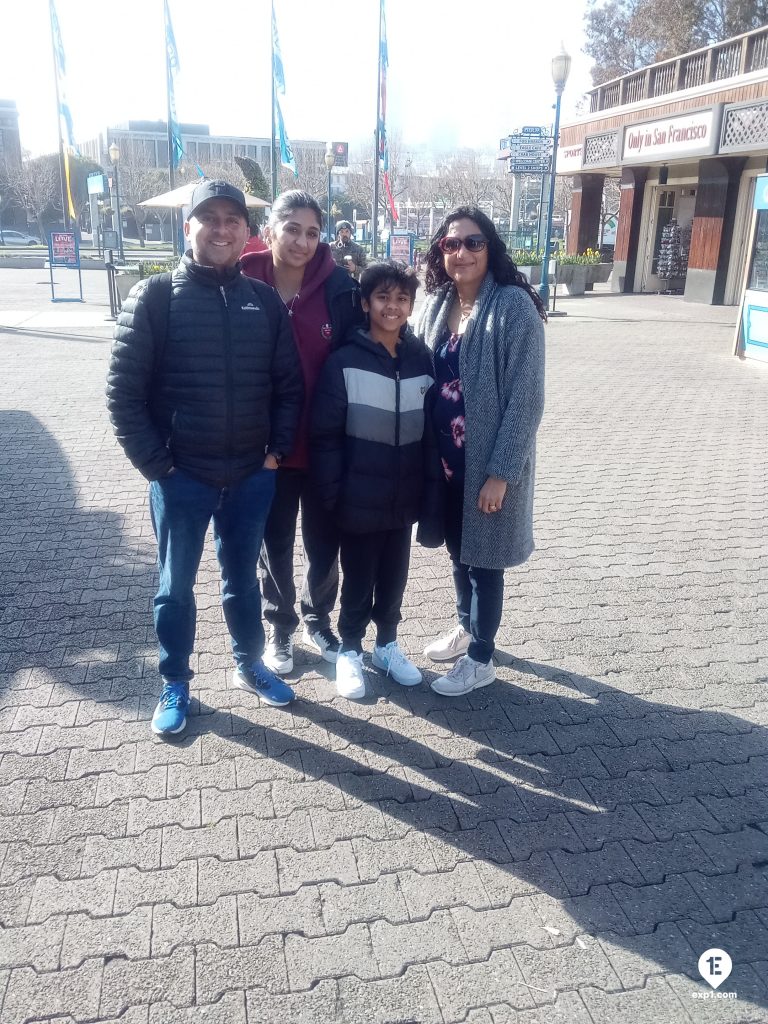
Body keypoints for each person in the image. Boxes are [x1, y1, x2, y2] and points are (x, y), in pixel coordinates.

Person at [106, 180, 303, 737]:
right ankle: (175, 682)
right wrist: (157, 466)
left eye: (232, 220)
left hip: (250, 477)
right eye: (209, 218)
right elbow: (123, 394)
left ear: (246, 232)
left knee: (242, 580)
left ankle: (248, 664)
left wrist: (276, 453)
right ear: (188, 226)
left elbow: (288, 386)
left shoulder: (263, 301)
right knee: (175, 586)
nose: (221, 229)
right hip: (181, 478)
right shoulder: (156, 298)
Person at [416, 206, 546, 697]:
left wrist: (501, 473)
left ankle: (481, 657)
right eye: (452, 244)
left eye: (474, 242)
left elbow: (527, 399)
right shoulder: (437, 302)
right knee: (459, 553)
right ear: (441, 252)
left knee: (485, 562)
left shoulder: (513, 307)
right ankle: (466, 626)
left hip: (487, 466)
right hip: (445, 464)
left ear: (490, 249)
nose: (462, 252)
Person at [241, 191, 364, 675]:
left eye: (312, 232)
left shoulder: (340, 288)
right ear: (270, 229)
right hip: (266, 444)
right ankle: (280, 625)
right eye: (291, 228)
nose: (302, 240)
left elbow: (371, 341)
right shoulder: (243, 277)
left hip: (326, 442)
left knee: (323, 541)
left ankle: (319, 618)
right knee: (274, 541)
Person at [311, 261, 439, 698]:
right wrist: (333, 493)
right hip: (357, 498)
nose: (393, 306)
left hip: (403, 498)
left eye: (402, 299)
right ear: (365, 303)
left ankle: (387, 644)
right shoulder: (344, 361)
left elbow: (431, 434)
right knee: (358, 576)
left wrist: (428, 492)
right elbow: (325, 436)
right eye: (383, 297)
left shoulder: (421, 360)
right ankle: (350, 649)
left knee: (394, 577)